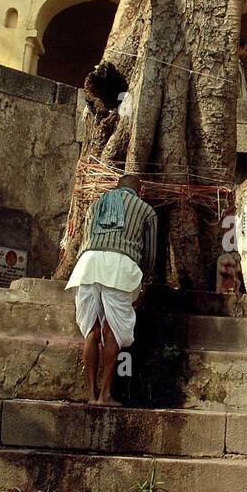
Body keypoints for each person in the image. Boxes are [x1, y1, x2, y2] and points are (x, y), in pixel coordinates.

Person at [65, 174, 157, 406]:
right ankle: (105, 395)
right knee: (112, 331)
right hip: (121, 267)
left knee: (91, 330)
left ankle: (90, 394)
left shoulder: (96, 204)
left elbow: (85, 238)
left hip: (87, 265)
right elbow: (151, 255)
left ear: (117, 187)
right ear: (140, 190)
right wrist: (143, 279)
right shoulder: (146, 210)